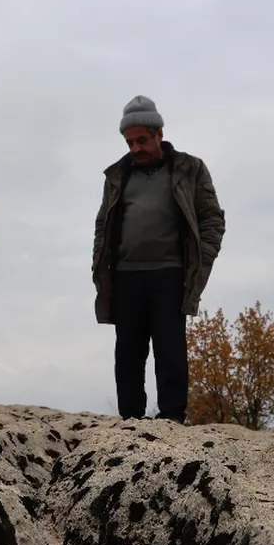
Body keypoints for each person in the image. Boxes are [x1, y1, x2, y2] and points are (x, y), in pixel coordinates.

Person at [92, 95, 225, 424]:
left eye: (141, 140)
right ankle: (131, 422)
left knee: (170, 352)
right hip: (125, 276)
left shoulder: (189, 169)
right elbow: (102, 224)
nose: (135, 148)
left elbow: (212, 219)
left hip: (170, 274)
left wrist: (202, 257)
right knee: (128, 355)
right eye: (129, 141)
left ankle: (172, 420)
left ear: (158, 134)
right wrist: (99, 261)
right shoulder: (117, 176)